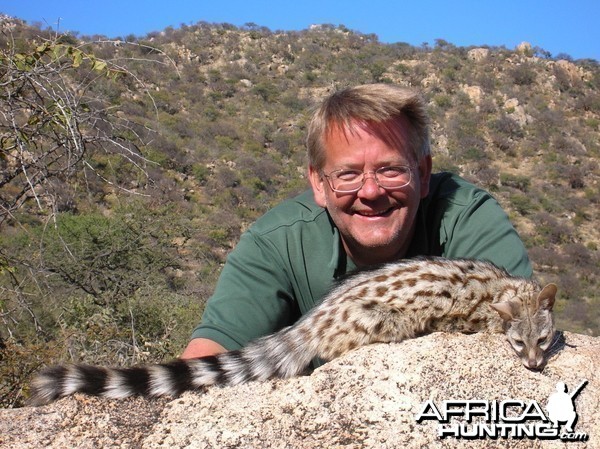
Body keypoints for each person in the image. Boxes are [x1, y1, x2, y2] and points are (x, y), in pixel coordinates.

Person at [181, 84, 532, 360]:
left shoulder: (465, 214)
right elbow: (211, 354)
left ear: (423, 173)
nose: (370, 191)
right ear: (319, 183)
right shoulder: (276, 240)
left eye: (390, 169)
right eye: (347, 174)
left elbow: (522, 326)